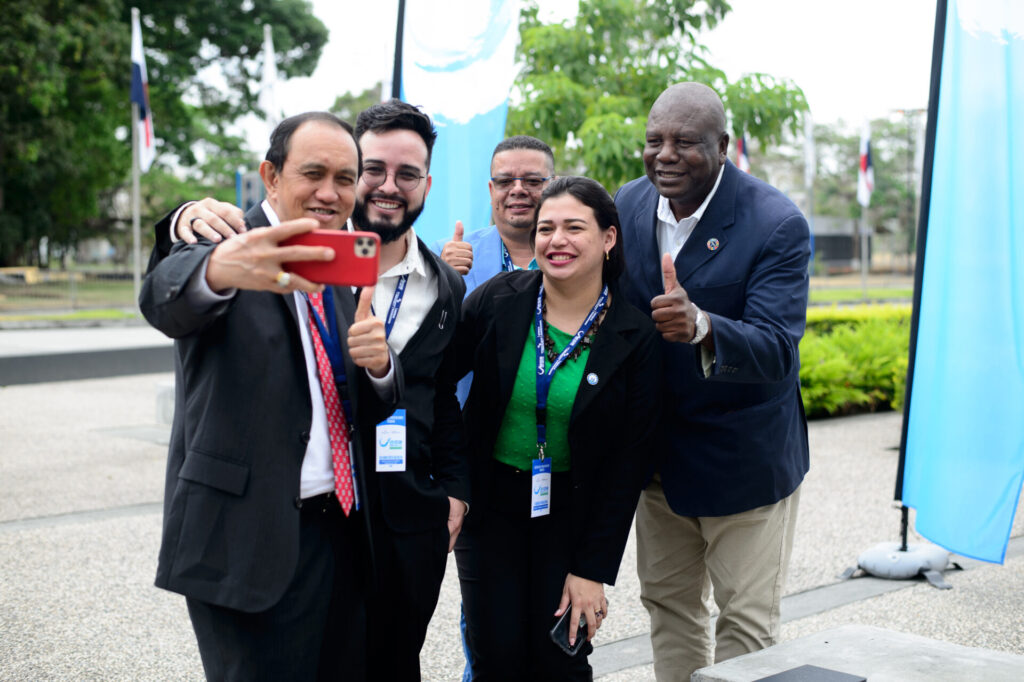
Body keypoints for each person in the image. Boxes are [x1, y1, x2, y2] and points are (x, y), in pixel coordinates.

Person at [158, 100, 471, 680]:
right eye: (317, 174)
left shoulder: (354, 269)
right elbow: (165, 293)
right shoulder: (228, 241)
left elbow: (420, 392)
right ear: (271, 176)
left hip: (360, 531)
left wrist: (380, 371)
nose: (336, 191)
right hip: (256, 532)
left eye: (344, 179)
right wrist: (210, 258)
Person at [614, 82, 811, 681]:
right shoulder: (625, 205)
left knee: (746, 624)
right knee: (669, 608)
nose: (665, 155)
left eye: (685, 142)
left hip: (742, 463)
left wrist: (702, 325)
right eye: (654, 141)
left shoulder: (777, 223)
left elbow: (777, 348)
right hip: (659, 465)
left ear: (723, 146)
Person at [455, 176, 662, 680]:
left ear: (608, 238)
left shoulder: (634, 335)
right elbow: (439, 387)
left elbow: (627, 464)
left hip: (571, 514)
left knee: (559, 658)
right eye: (546, 228)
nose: (556, 240)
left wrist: (593, 569)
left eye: (574, 227)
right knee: (494, 658)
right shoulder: (497, 301)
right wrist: (452, 487)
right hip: (492, 509)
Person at [351, 99, 469, 680]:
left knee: (397, 665)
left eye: (407, 173)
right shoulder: (298, 259)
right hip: (318, 516)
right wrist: (185, 215)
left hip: (411, 523)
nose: (388, 186)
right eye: (374, 169)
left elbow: (442, 394)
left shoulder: (444, 286)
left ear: (426, 182)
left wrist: (454, 490)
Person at [433, 135, 556, 289]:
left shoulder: (581, 254)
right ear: (491, 191)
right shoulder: (444, 257)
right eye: (504, 182)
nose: (517, 190)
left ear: (554, 187)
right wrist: (441, 281)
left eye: (532, 181)